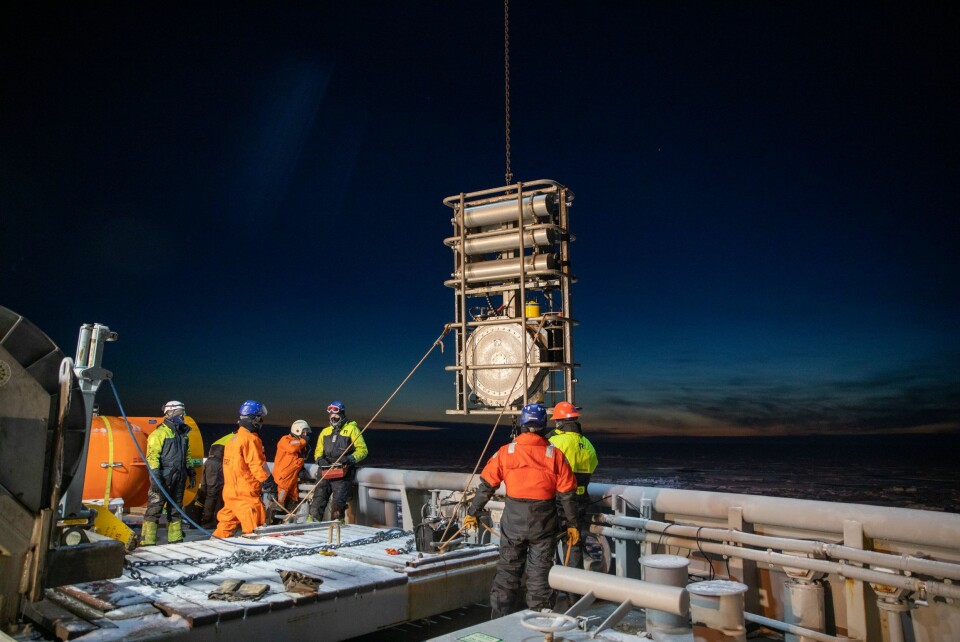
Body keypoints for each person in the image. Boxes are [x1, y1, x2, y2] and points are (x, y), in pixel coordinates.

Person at [462, 402, 580, 618]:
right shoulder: (555, 455)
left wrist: (472, 513)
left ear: (523, 425)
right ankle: (539, 621)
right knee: (539, 575)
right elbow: (567, 494)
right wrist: (572, 524)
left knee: (507, 571)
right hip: (544, 523)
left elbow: (486, 486)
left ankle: (499, 620)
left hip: (513, 523)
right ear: (544, 426)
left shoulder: (506, 452)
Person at [212, 400, 277, 538]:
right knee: (255, 528)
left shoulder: (233, 439)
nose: (261, 422)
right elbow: (257, 464)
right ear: (252, 419)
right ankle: (252, 549)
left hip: (230, 492)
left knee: (226, 523)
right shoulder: (251, 440)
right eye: (259, 418)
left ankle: (213, 544)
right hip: (246, 493)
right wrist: (269, 483)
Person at [548, 401, 598, 571]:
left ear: (559, 422)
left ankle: (551, 580)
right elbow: (593, 466)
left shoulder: (553, 441)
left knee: (546, 543)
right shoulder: (587, 443)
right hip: (580, 500)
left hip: (556, 500)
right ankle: (573, 583)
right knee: (573, 542)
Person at [141, 400, 195, 546]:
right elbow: (152, 456)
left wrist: (190, 471)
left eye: (183, 413)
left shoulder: (183, 435)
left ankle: (176, 539)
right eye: (179, 413)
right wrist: (155, 477)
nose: (182, 416)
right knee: (155, 509)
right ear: (169, 413)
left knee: (176, 509)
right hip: (163, 477)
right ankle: (147, 541)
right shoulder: (159, 434)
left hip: (179, 478)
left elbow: (187, 455)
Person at [308, 401, 368, 522]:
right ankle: (312, 524)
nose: (333, 418)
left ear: (342, 414)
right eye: (331, 416)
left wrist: (350, 458)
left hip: (342, 472)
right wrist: (320, 460)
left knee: (338, 505)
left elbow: (363, 450)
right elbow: (318, 451)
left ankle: (336, 527)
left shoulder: (352, 430)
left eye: (336, 415)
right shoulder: (325, 432)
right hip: (325, 471)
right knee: (318, 501)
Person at [270, 420, 311, 521]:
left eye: (306, 432)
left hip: (292, 480)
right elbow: (292, 448)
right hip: (282, 479)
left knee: (292, 504)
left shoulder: (300, 446)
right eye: (304, 432)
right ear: (297, 430)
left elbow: (298, 460)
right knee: (278, 504)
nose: (305, 434)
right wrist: (304, 441)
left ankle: (286, 523)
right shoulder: (286, 440)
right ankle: (273, 522)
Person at [192, 441, 226, 530]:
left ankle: (196, 521)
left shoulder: (217, 444)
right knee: (212, 495)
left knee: (203, 493)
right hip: (216, 463)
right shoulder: (230, 442)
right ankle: (208, 521)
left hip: (209, 461)